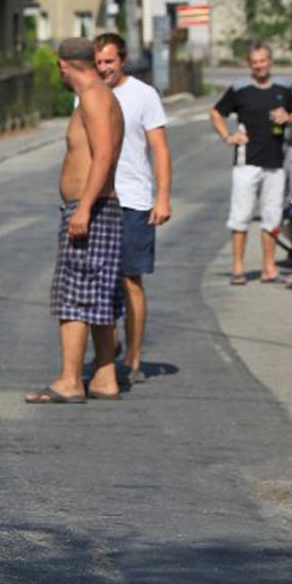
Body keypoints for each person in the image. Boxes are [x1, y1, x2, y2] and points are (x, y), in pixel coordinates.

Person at [25, 38, 125, 404]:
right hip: (98, 208)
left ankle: (70, 380)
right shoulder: (99, 96)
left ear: (64, 65)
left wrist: (82, 208)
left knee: (74, 298)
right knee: (99, 297)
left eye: (58, 68)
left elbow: (103, 157)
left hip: (92, 210)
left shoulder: (95, 97)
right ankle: (104, 377)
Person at [93, 33, 172, 385]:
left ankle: (134, 357)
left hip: (134, 200)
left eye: (109, 61)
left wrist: (163, 197)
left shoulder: (143, 95)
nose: (103, 68)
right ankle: (106, 352)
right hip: (97, 200)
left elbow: (161, 150)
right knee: (98, 282)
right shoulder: (88, 96)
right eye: (97, 62)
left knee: (130, 280)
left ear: (122, 60)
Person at [208, 42, 292, 285]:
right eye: (255, 62)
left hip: (275, 162)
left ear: (270, 61)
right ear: (249, 65)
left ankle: (269, 268)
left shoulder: (284, 88)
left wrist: (288, 118)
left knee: (272, 217)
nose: (259, 66)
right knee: (241, 216)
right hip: (246, 162)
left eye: (263, 61)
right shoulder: (239, 89)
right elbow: (215, 113)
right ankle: (238, 267)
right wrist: (228, 136)